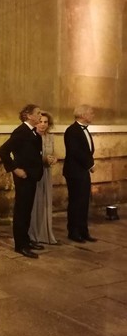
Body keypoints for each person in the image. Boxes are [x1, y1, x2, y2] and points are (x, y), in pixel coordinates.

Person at [0, 104, 44, 259]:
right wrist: (15, 168)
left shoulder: (33, 133)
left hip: (32, 176)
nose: (40, 116)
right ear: (28, 115)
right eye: (38, 113)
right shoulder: (21, 132)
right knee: (21, 210)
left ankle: (26, 240)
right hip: (23, 176)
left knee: (27, 210)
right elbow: (3, 151)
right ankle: (20, 245)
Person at [63, 104, 97, 243]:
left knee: (84, 202)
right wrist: (91, 165)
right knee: (76, 202)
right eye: (91, 113)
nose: (93, 115)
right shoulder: (72, 131)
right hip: (75, 172)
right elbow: (75, 151)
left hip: (83, 171)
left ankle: (84, 231)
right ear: (83, 115)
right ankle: (74, 232)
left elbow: (87, 150)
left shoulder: (84, 130)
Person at [29, 111, 58, 244]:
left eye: (45, 122)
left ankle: (45, 233)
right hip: (35, 172)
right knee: (35, 201)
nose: (43, 124)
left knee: (45, 202)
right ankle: (33, 233)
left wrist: (53, 159)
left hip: (46, 172)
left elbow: (53, 153)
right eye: (40, 121)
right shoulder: (31, 136)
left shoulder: (50, 137)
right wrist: (43, 159)